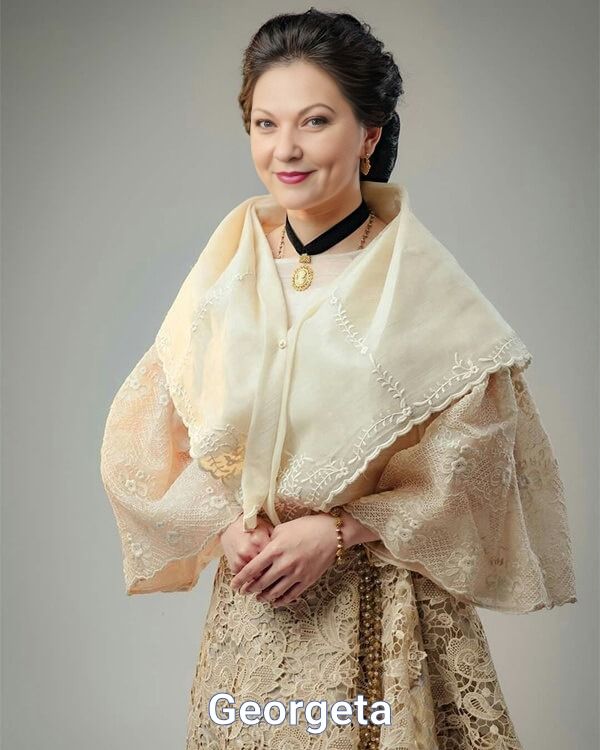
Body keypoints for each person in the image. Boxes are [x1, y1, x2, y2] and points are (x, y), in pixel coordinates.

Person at [99, 9, 577, 749]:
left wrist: (344, 528)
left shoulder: (424, 292)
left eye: (314, 122)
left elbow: (477, 471)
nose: (284, 150)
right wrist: (228, 525)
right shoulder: (223, 278)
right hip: (253, 623)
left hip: (384, 625)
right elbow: (148, 441)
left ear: (369, 136)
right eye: (264, 124)